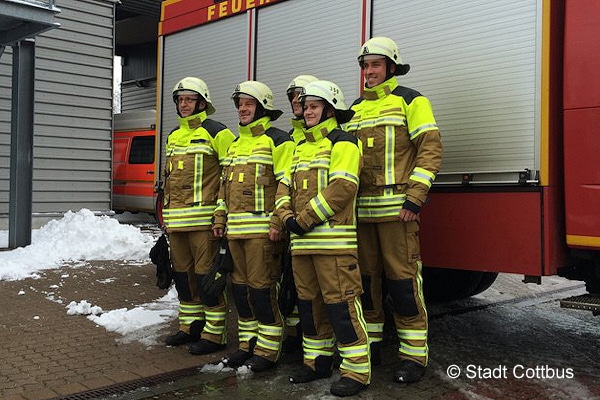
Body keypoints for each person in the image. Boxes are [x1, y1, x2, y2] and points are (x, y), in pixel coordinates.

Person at [345, 36, 443, 383]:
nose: (369, 71)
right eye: (365, 65)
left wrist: (415, 197)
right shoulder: (354, 109)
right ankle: (371, 348)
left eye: (375, 64)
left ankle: (413, 357)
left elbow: (429, 149)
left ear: (390, 66)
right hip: (361, 216)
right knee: (366, 285)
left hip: (397, 213)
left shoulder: (411, 101)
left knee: (403, 285)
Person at [276, 80, 370, 397]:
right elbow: (283, 188)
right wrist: (285, 215)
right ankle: (316, 362)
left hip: (333, 245)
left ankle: (356, 372)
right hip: (302, 246)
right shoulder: (299, 147)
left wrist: (302, 219)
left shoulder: (344, 142)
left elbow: (342, 188)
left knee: (342, 308)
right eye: (305, 106)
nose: (307, 111)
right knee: (309, 308)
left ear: (330, 109)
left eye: (314, 106)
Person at [213, 80, 295, 372]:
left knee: (262, 292)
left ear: (262, 107)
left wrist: (278, 222)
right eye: (239, 104)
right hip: (235, 233)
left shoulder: (279, 140)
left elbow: (288, 184)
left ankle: (268, 350)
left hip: (263, 234)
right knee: (241, 293)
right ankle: (246, 345)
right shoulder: (235, 144)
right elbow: (224, 189)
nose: (242, 109)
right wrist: (220, 219)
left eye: (248, 104)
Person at [161, 77, 236, 356]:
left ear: (202, 103)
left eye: (189, 99)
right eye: (180, 99)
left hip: (204, 223)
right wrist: (165, 217)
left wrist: (221, 216)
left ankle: (214, 335)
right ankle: (189, 326)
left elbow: (230, 177)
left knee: (207, 279)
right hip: (177, 223)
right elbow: (168, 180)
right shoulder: (172, 135)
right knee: (183, 277)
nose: (183, 104)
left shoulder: (218, 132)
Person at [280, 74, 319, 354]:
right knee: (292, 285)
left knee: (316, 291)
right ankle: (296, 336)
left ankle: (314, 339)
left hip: (315, 228)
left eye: (302, 96)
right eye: (293, 96)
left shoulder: (326, 136)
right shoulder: (289, 138)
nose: (297, 101)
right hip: (288, 225)